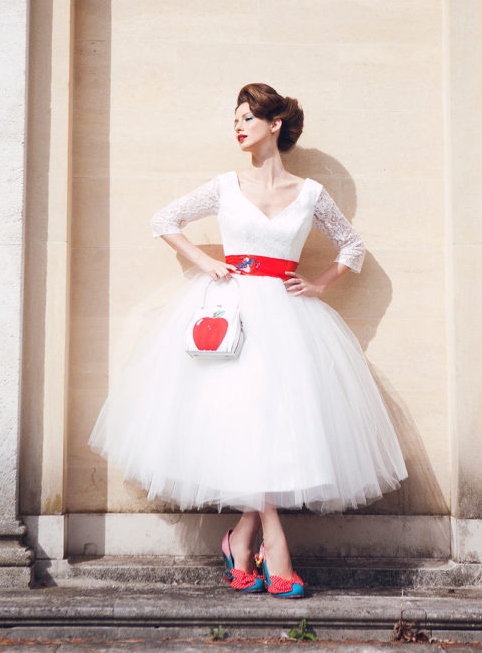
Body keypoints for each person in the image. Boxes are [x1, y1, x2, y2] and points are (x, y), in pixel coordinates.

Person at [89, 83, 407, 598]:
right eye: (234, 119)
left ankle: (241, 540)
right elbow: (162, 220)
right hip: (231, 314)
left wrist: (319, 283)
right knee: (244, 423)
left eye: (247, 118)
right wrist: (207, 261)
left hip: (288, 319)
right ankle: (273, 548)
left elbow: (352, 245)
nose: (238, 126)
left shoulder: (310, 194)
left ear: (274, 124)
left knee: (273, 426)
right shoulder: (224, 185)